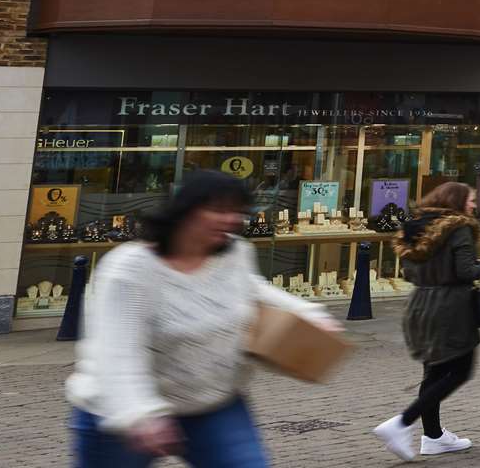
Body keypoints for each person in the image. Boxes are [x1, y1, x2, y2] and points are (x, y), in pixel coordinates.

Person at [67, 171, 336, 467]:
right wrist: (139, 414)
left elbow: (253, 290)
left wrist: (309, 315)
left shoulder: (234, 253)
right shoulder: (130, 268)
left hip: (212, 404)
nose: (231, 220)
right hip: (121, 412)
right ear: (186, 211)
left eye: (237, 211)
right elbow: (117, 350)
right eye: (219, 210)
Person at [373, 183, 480, 460]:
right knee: (460, 371)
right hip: (451, 308)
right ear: (456, 201)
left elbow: (407, 272)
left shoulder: (415, 228)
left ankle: (433, 436)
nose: (474, 206)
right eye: (471, 201)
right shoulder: (459, 228)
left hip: (420, 305)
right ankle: (402, 422)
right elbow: (465, 271)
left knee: (435, 372)